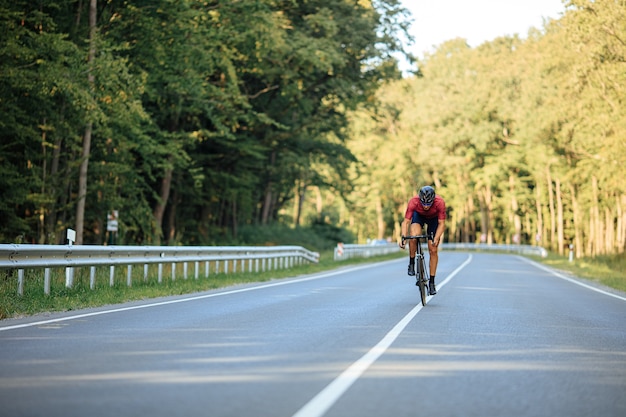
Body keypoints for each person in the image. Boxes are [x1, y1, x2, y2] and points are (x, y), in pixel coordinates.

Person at [399, 185, 446, 295]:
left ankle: (432, 283)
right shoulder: (413, 202)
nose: (425, 206)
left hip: (434, 220)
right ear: (419, 199)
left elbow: (442, 224)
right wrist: (403, 237)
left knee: (433, 249)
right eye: (423, 203)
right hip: (418, 216)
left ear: (433, 200)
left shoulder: (440, 202)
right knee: (414, 235)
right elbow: (406, 222)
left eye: (428, 203)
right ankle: (411, 263)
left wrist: (437, 238)